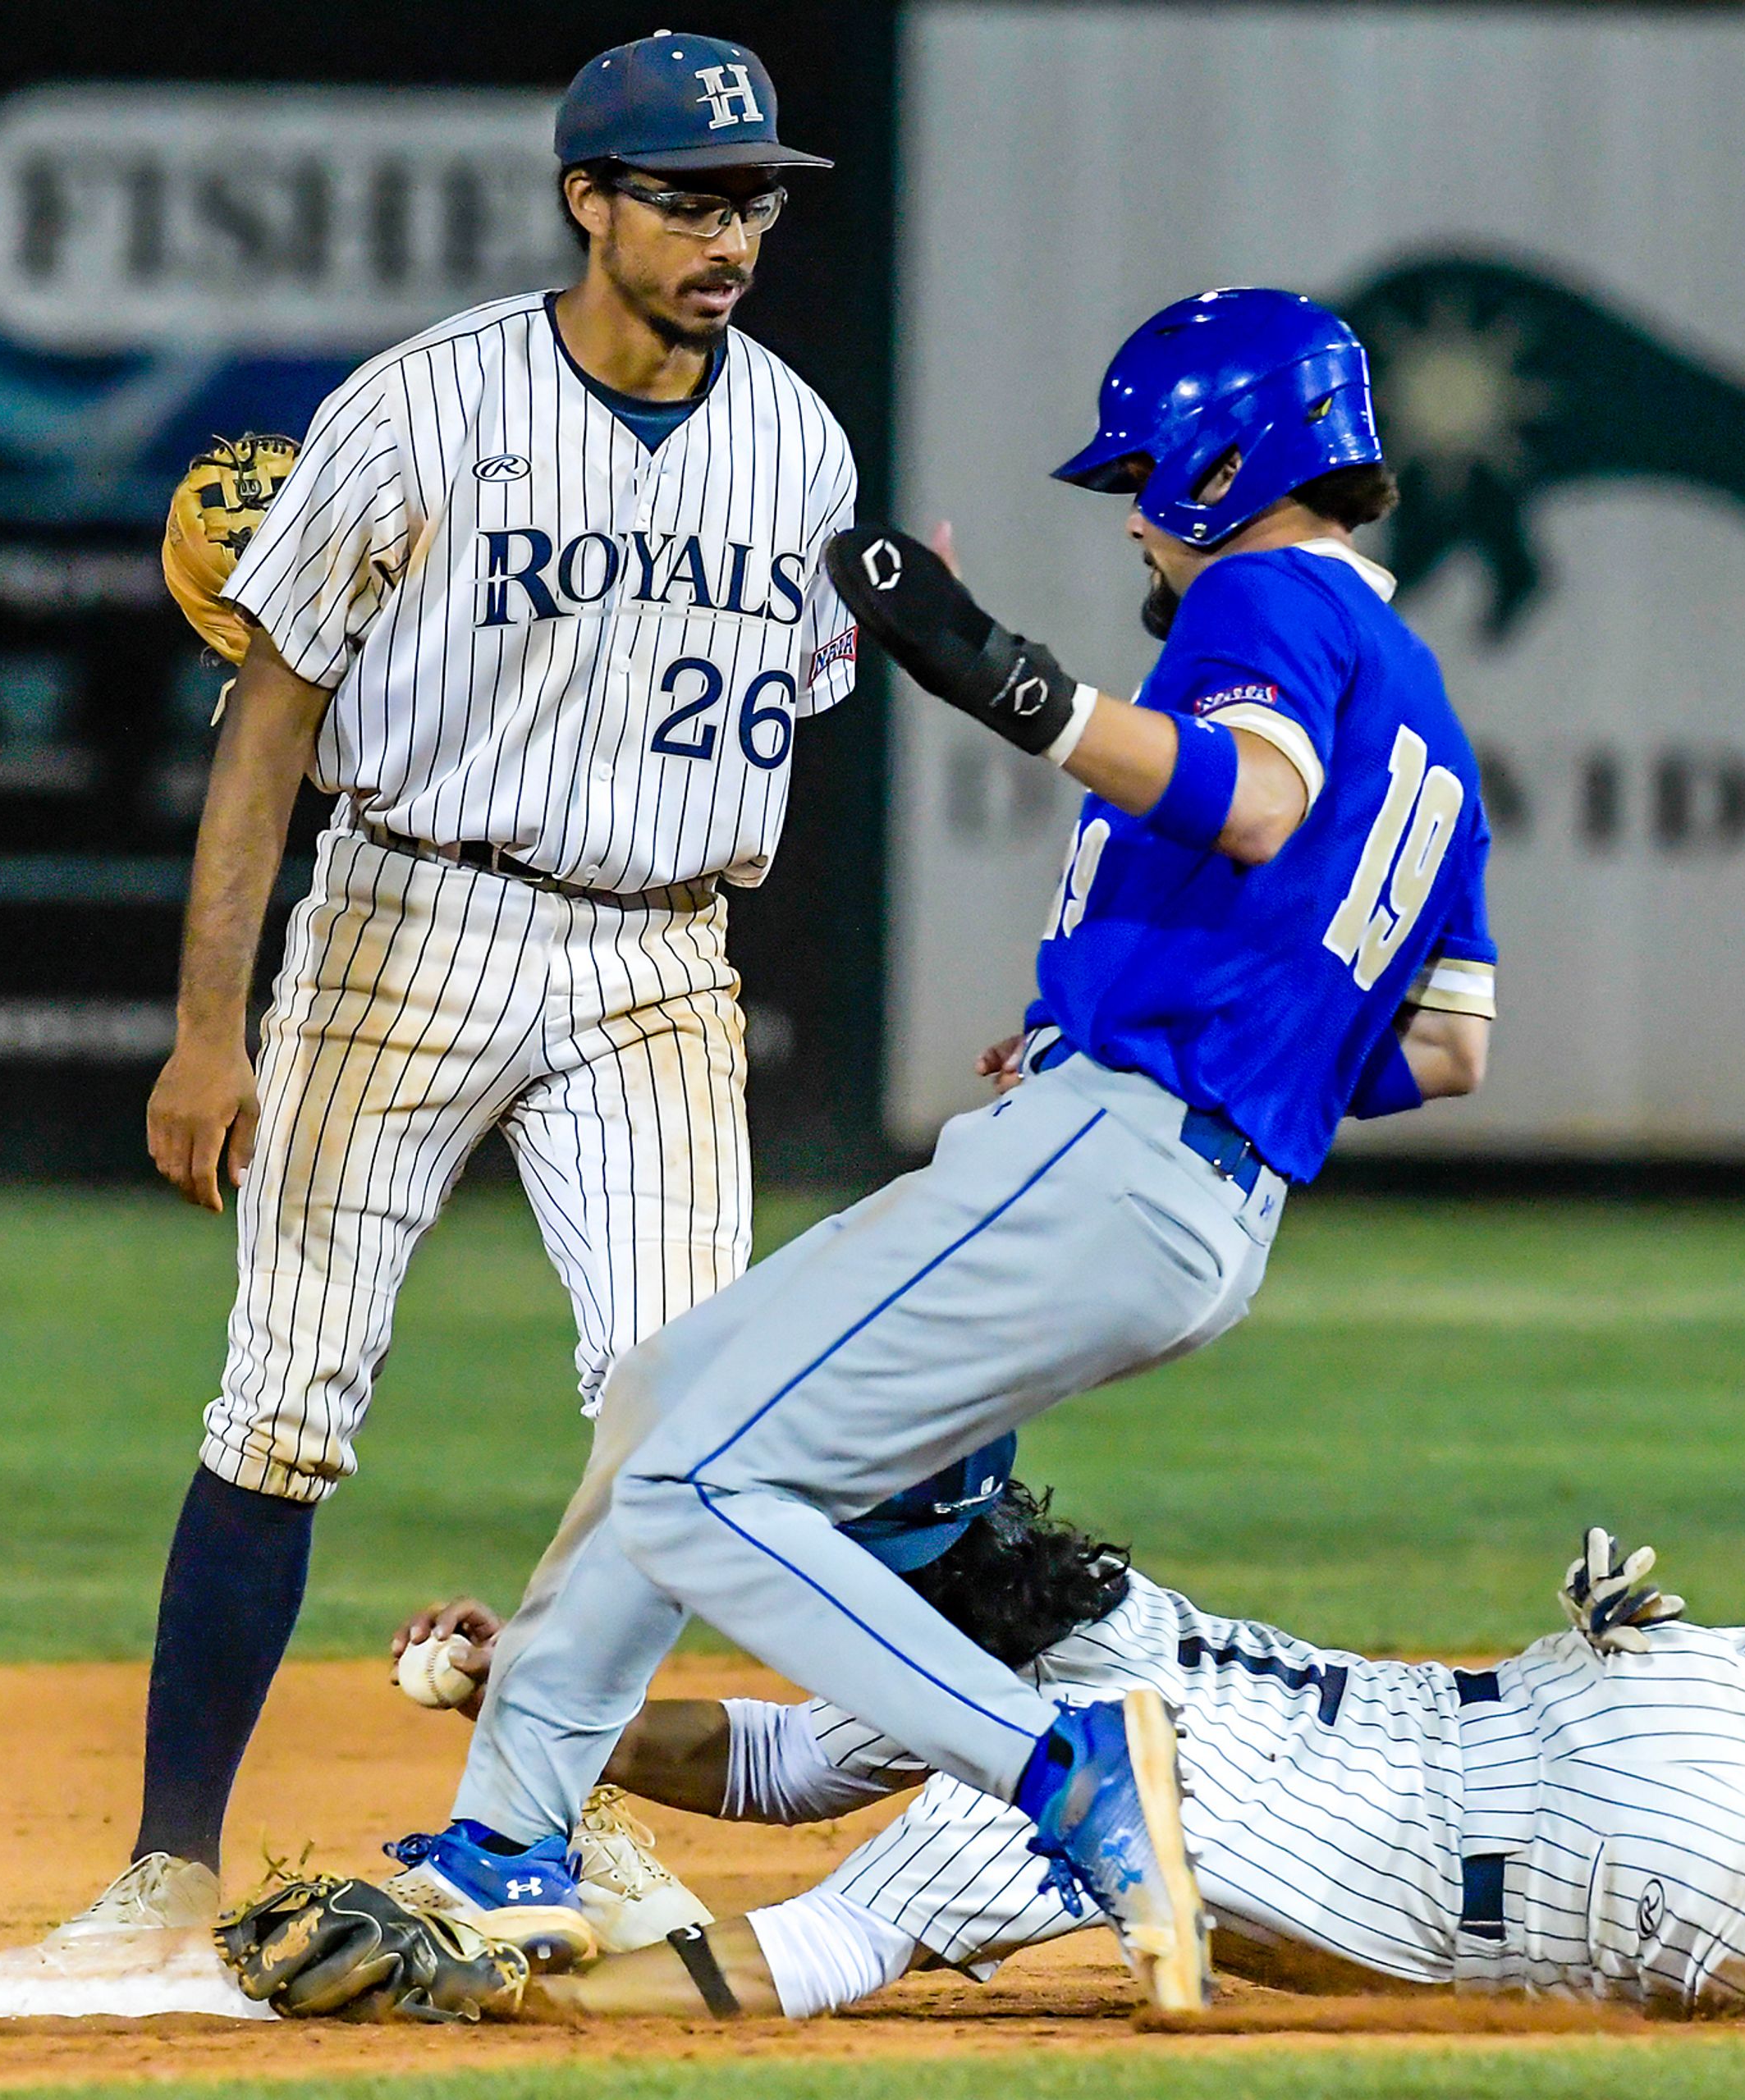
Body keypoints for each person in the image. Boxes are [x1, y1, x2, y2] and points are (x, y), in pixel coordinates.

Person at [380, 286, 1500, 2010]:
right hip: (1187, 1188)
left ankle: (1066, 1775)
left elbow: (1249, 796)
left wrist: (994, 670)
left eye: (1145, 471)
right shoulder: (1428, 709)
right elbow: (1446, 1044)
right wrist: (1235, 1026)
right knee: (669, 1390)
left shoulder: (1267, 592)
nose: (1134, 510)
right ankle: (507, 1844)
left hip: (1123, 1149)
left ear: (1224, 461)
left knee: (703, 1485)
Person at [61, 30, 859, 1968]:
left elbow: (782, 706)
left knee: (680, 1415)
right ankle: (166, 1876)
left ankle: (538, 1821)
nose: (727, 232)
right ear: (588, 198)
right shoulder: (424, 406)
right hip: (410, 921)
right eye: (685, 194)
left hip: (663, 950)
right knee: (288, 1394)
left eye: (751, 195)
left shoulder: (804, 441)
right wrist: (208, 1021)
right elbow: (272, 713)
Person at [273, 1425, 1745, 2022]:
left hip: (1637, 1886)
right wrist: (544, 1718)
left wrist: (514, 1947)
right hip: (1618, 1692)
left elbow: (780, 1960)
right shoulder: (1077, 1617)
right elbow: (794, 1759)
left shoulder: (1044, 1794)